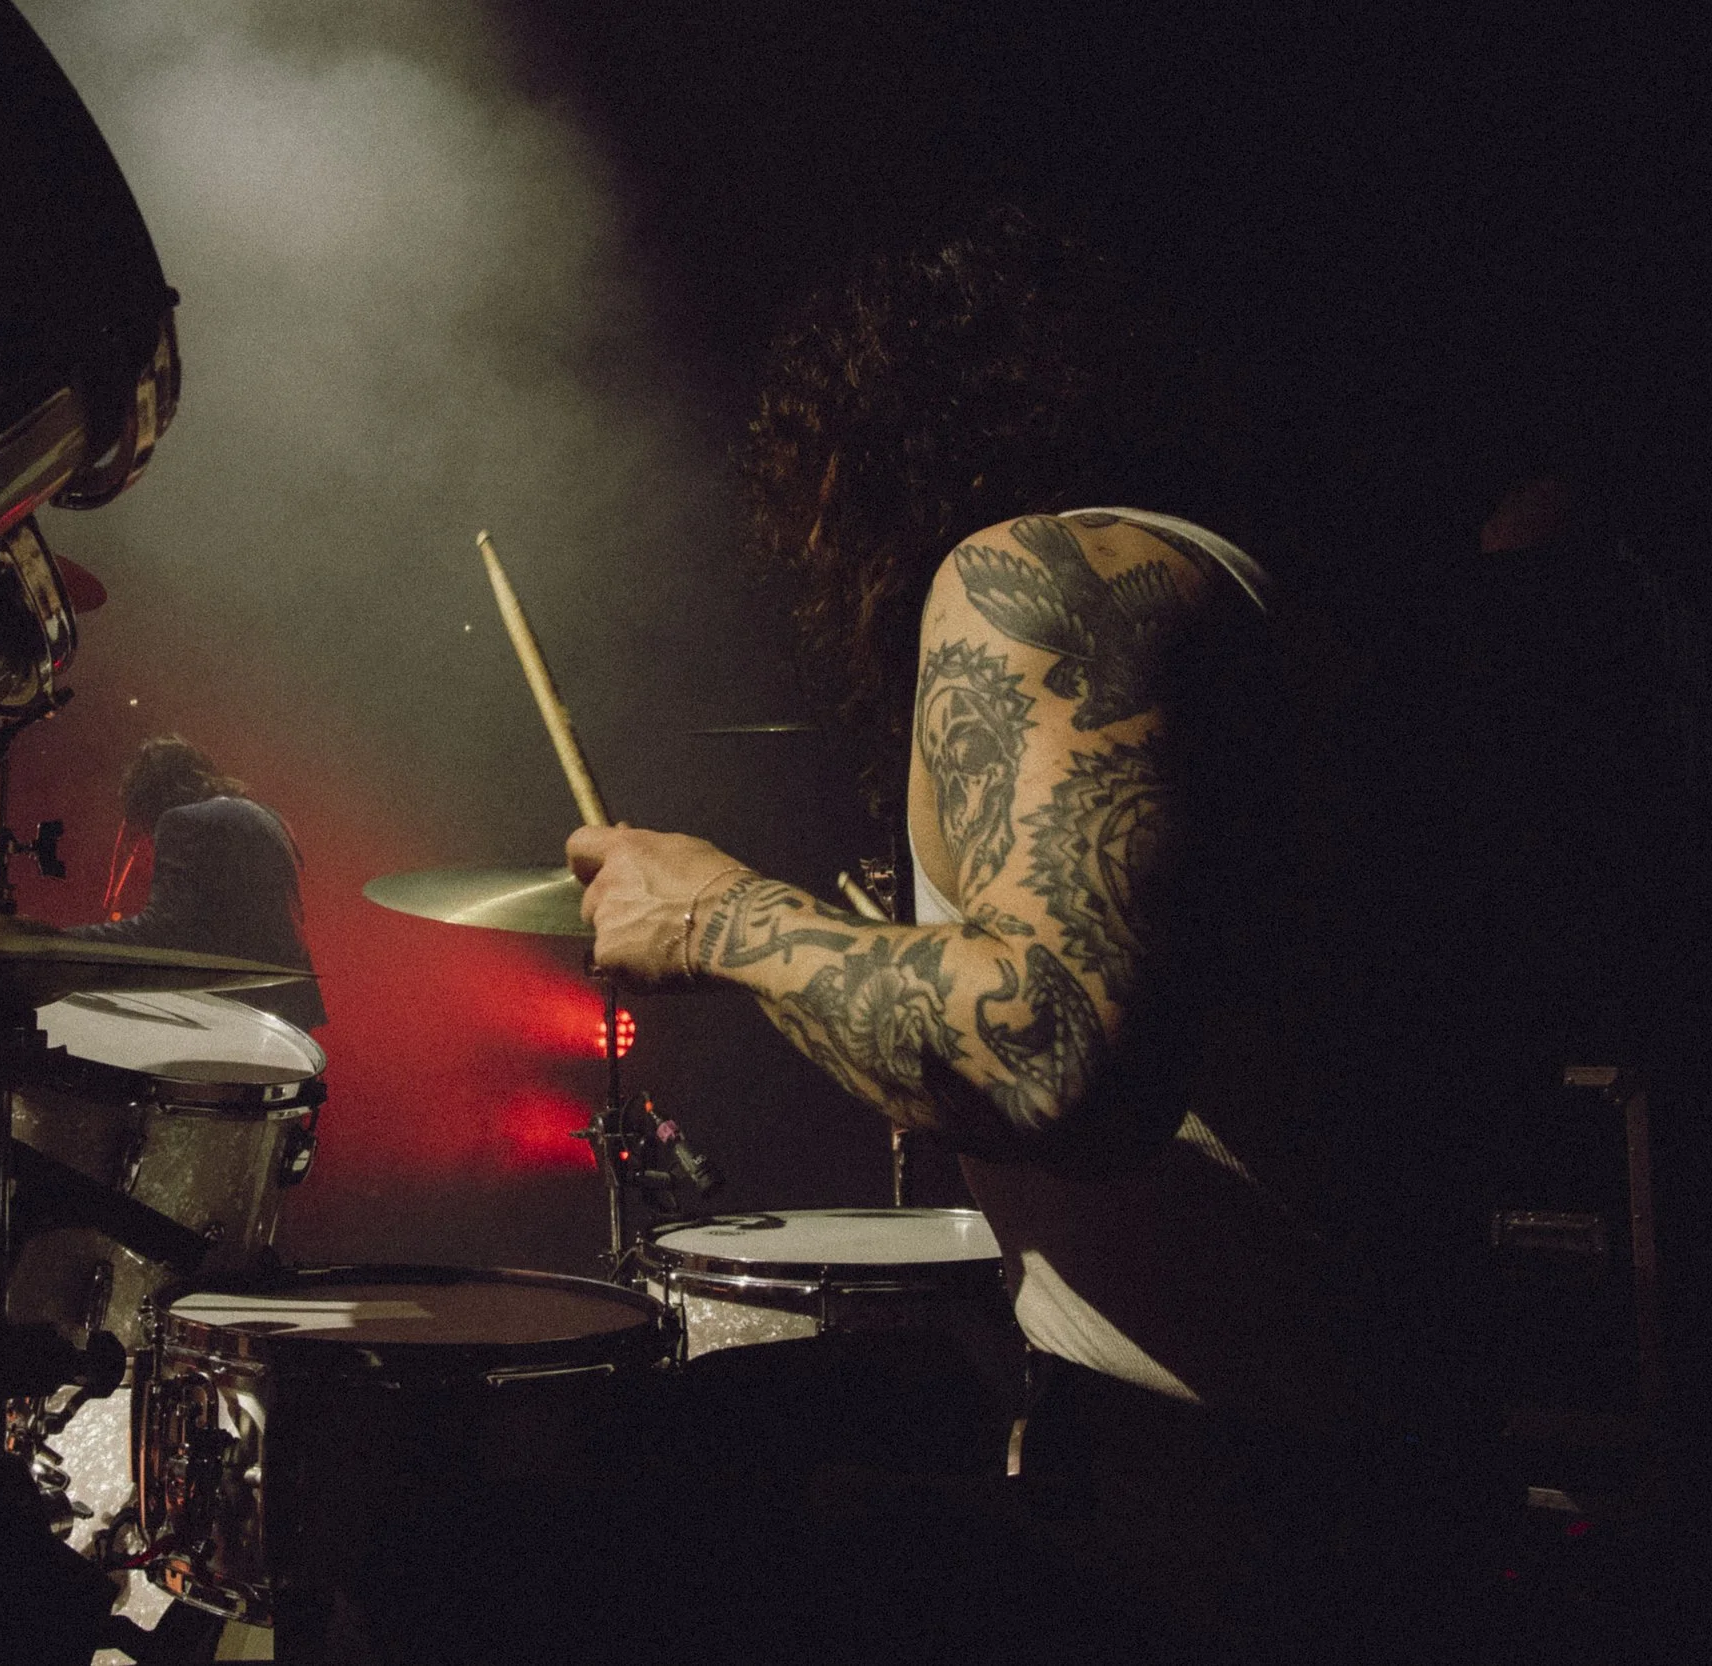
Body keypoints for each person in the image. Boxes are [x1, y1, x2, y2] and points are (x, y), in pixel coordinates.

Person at [568, 221, 1499, 1661]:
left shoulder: (1051, 571)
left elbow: (1055, 1043)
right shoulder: (1253, 594)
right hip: (1358, 1470)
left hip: (1229, 1507)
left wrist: (713, 914)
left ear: (873, 456)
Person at [69, 735, 325, 1032]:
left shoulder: (182, 820)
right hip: (289, 1006)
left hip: (239, 1010)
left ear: (151, 801)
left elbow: (162, 930)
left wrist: (65, 944)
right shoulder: (269, 817)